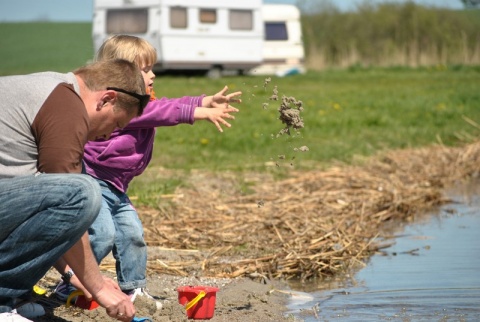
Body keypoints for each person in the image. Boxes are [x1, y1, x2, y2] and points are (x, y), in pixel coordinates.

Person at [53, 35, 242, 308]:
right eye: (144, 69)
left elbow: (162, 104)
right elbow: (160, 113)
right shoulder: (120, 105)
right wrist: (197, 112)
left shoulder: (142, 101)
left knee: (132, 235)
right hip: (93, 181)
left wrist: (204, 99)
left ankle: (134, 290)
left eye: (151, 68)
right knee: (103, 234)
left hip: (117, 187)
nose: (152, 75)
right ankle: (70, 284)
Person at [0, 59, 149, 322]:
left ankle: (10, 297)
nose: (107, 136)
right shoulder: (66, 108)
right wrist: (99, 287)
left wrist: (73, 274)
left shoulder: (54, 90)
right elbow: (70, 203)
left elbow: (44, 216)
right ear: (106, 99)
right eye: (115, 124)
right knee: (83, 191)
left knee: (76, 189)